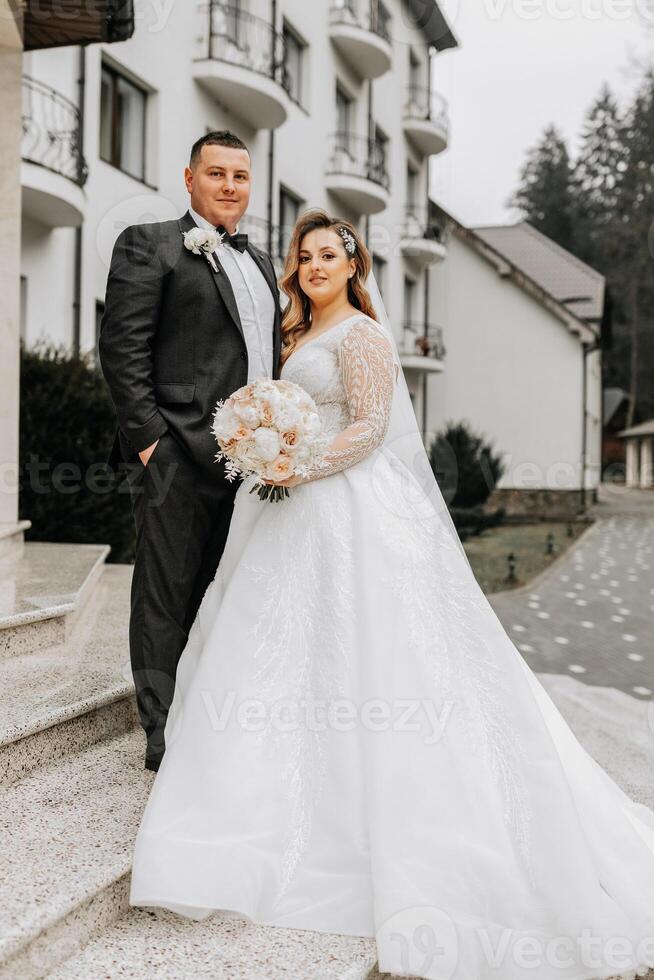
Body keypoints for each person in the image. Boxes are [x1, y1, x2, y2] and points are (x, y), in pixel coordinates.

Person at [128, 209, 654, 980]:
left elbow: (371, 427)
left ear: (354, 263)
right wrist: (264, 450)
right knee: (276, 649)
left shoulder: (363, 336)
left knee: (365, 648)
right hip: (284, 511)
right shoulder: (296, 338)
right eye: (305, 256)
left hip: (346, 507)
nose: (314, 265)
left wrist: (295, 465)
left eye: (328, 255)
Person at [99, 130, 282, 772]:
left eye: (240, 176)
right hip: (175, 454)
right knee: (165, 593)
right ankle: (160, 733)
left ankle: (207, 718)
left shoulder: (262, 264)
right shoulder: (150, 245)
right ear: (190, 179)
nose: (230, 186)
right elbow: (123, 350)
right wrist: (150, 442)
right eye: (217, 174)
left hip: (249, 466)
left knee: (221, 593)